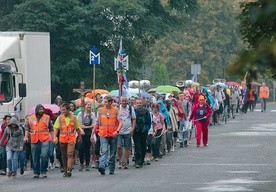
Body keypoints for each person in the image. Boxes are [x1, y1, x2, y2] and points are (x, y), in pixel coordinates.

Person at [53, 102, 82, 177]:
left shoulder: (74, 118)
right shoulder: (59, 118)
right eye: (61, 110)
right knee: (64, 155)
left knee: (70, 154)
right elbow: (56, 128)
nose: (62, 112)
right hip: (62, 139)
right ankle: (65, 169)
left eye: (64, 110)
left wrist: (79, 137)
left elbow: (78, 128)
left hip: (71, 139)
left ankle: (69, 169)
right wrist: (55, 137)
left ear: (68, 110)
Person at [24, 104, 54, 178]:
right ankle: (36, 172)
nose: (41, 111)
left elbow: (51, 129)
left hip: (45, 139)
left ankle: (43, 171)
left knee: (44, 155)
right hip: (34, 139)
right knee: (35, 157)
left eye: (42, 109)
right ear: (36, 110)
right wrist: (26, 137)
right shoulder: (30, 118)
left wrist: (53, 138)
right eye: (40, 109)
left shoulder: (47, 117)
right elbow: (27, 129)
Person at [93, 95, 120, 175]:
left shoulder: (116, 110)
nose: (104, 103)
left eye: (105, 102)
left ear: (110, 102)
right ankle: (102, 166)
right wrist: (92, 133)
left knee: (112, 152)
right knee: (104, 150)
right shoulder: (100, 110)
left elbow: (120, 122)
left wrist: (117, 131)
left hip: (113, 134)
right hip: (103, 134)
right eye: (104, 101)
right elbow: (97, 122)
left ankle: (111, 168)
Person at [117, 96, 136, 169]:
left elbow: (134, 119)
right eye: (123, 101)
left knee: (127, 147)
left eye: (125, 101)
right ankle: (120, 161)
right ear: (120, 101)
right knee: (119, 146)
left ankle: (126, 161)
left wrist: (132, 129)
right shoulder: (118, 109)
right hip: (119, 131)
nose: (124, 102)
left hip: (128, 130)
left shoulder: (130, 108)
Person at [77, 102, 95, 171]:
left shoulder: (92, 115)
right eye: (88, 105)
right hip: (81, 133)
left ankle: (87, 164)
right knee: (81, 148)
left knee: (87, 149)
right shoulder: (80, 114)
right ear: (85, 106)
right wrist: (81, 129)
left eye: (90, 105)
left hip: (89, 133)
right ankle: (81, 163)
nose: (89, 106)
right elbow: (78, 124)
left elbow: (94, 124)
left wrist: (87, 127)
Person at [133, 98, 151, 168]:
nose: (139, 104)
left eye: (140, 103)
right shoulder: (134, 111)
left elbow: (149, 121)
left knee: (143, 145)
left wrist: (147, 128)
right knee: (137, 146)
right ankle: (138, 161)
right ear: (135, 104)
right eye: (137, 103)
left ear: (142, 103)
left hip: (144, 131)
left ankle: (142, 160)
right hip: (136, 130)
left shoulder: (146, 111)